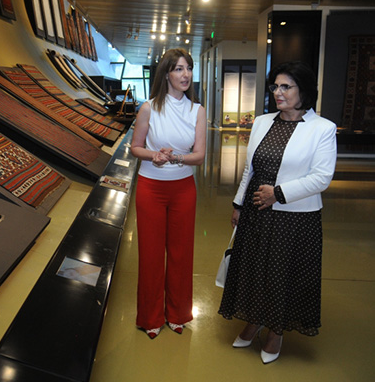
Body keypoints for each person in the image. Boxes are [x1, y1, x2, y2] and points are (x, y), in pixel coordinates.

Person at [218, 61, 337, 364]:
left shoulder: (322, 129)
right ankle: (255, 319)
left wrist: (278, 194)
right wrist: (239, 204)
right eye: (275, 86)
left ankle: (276, 330)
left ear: (304, 91)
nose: (278, 93)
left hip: (295, 217)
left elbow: (322, 177)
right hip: (257, 212)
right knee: (255, 268)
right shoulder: (262, 122)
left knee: (283, 274)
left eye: (286, 87)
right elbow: (250, 170)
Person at [130, 48, 206, 338]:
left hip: (183, 190)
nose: (185, 75)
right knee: (150, 254)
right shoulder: (149, 108)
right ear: (166, 74)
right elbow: (136, 147)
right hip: (151, 188)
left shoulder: (197, 110)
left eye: (188, 68)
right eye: (178, 69)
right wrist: (154, 155)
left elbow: (199, 156)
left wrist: (175, 158)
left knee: (180, 253)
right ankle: (150, 317)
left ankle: (177, 314)